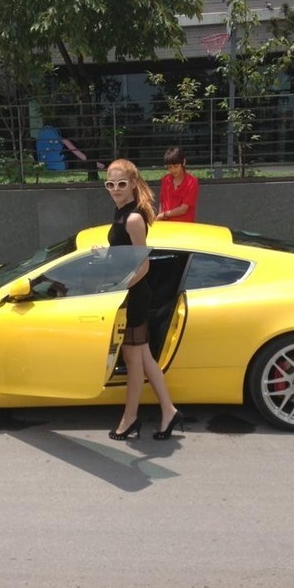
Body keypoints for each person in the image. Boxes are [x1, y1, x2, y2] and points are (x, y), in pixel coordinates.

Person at [104, 158, 183, 441]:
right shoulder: (121, 212)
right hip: (132, 292)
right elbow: (125, 253)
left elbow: (144, 265)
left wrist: (119, 287)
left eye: (121, 184)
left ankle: (130, 419)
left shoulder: (134, 218)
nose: (115, 189)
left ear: (133, 184)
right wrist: (105, 255)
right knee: (144, 358)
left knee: (133, 359)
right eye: (110, 184)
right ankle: (169, 411)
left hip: (136, 295)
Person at [156, 146, 199, 223]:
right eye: (169, 167)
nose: (173, 170)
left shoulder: (192, 181)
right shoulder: (165, 179)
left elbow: (183, 209)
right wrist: (160, 219)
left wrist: (163, 215)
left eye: (176, 166)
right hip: (166, 224)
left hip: (184, 225)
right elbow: (162, 202)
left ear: (183, 162)